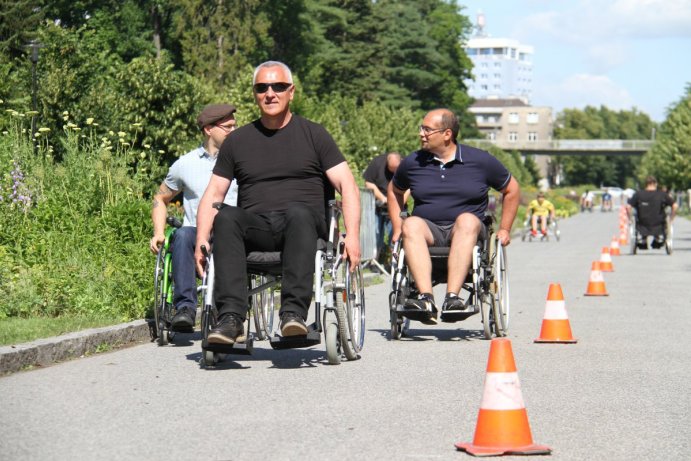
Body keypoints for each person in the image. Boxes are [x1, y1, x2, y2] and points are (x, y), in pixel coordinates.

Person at [195, 61, 361, 345]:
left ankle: (293, 315)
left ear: (291, 92)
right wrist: (200, 240)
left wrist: (354, 236)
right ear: (255, 94)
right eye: (262, 88)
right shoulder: (238, 141)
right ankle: (231, 318)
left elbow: (347, 185)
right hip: (258, 226)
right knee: (226, 216)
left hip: (303, 225)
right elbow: (213, 194)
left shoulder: (314, 135)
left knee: (298, 212)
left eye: (278, 87)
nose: (270, 93)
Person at [387, 108, 519, 324]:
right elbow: (394, 190)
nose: (421, 134)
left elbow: (511, 189)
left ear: (447, 134)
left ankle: (452, 298)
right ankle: (425, 299)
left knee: (466, 220)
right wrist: (397, 226)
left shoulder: (480, 161)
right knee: (410, 224)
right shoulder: (413, 162)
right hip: (429, 231)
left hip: (469, 232)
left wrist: (504, 228)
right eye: (422, 128)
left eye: (427, 130)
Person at [149, 104, 239, 332]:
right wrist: (159, 232)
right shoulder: (185, 164)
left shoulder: (242, 161)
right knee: (180, 235)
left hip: (230, 230)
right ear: (209, 129)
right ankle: (185, 309)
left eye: (234, 126)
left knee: (229, 236)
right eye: (228, 127)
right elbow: (160, 198)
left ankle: (226, 311)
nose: (233, 131)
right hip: (193, 230)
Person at [363, 152, 403, 263]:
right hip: (378, 205)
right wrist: (383, 198)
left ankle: (395, 263)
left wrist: (399, 200)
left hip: (397, 206)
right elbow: (368, 183)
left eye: (396, 169)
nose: (394, 172)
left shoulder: (405, 166)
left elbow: (409, 186)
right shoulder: (377, 163)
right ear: (386, 163)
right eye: (392, 169)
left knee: (396, 235)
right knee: (376, 236)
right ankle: (374, 262)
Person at [627, 175, 677, 249]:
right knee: (663, 214)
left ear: (646, 184)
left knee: (638, 214)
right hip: (659, 223)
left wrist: (630, 218)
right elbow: (675, 206)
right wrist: (671, 218)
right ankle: (657, 238)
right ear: (655, 184)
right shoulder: (662, 194)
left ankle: (643, 239)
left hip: (642, 223)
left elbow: (628, 207)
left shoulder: (638, 194)